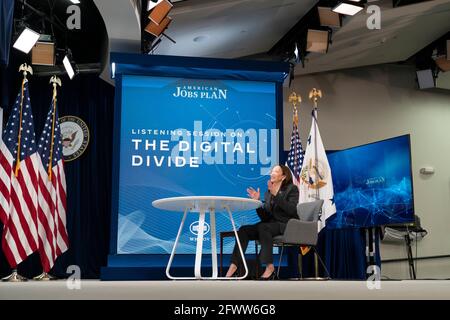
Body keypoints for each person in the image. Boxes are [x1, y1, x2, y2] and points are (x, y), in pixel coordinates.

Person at [225, 164, 299, 280]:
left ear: (283, 176)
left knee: (264, 228)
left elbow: (292, 210)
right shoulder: (268, 193)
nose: (271, 173)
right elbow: (265, 218)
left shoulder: (291, 189)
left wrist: (277, 196)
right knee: (244, 230)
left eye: (275, 171)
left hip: (286, 225)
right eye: (271, 171)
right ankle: (234, 266)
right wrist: (258, 203)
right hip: (269, 224)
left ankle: (269, 266)